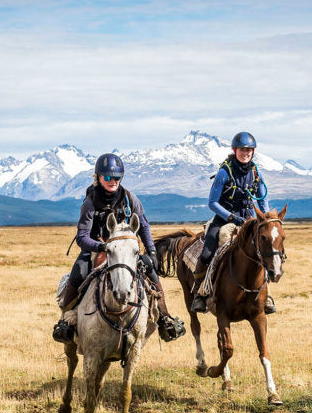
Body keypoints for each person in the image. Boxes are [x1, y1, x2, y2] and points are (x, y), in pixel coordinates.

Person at [52, 153, 185, 344]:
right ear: (98, 177)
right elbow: (82, 237)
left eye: (116, 177)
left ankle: (165, 319)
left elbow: (144, 227)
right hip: (97, 248)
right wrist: (102, 246)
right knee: (78, 273)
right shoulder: (89, 203)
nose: (112, 181)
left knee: (151, 273)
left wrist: (152, 252)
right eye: (107, 177)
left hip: (126, 250)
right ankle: (66, 321)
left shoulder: (130, 198)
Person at [189, 131, 275, 314]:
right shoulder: (223, 172)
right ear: (235, 150)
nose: (246, 153)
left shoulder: (256, 172)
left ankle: (265, 295)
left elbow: (262, 199)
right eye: (243, 150)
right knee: (206, 254)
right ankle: (201, 294)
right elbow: (212, 203)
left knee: (264, 250)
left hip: (250, 220)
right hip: (224, 219)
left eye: (249, 150)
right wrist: (231, 217)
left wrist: (266, 218)